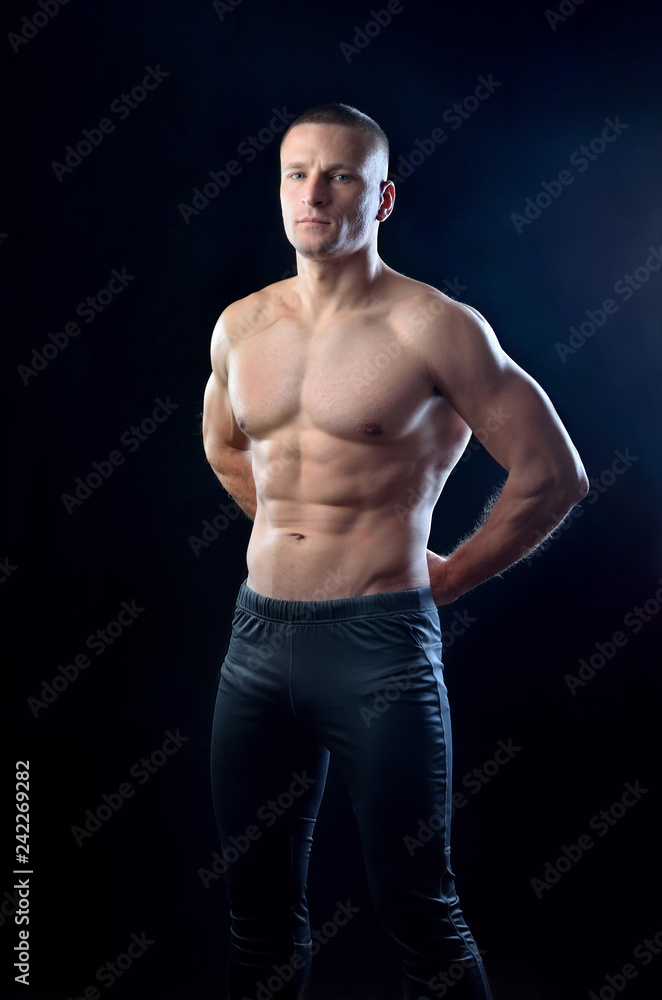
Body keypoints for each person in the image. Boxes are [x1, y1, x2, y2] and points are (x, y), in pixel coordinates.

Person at [202, 103, 588, 1000]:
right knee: (254, 917)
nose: (315, 192)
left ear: (381, 200)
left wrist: (454, 573)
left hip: (378, 650)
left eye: (341, 175)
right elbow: (225, 444)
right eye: (298, 173)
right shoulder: (240, 327)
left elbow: (552, 475)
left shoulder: (434, 327)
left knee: (419, 906)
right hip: (254, 646)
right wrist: (285, 535)